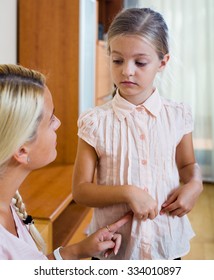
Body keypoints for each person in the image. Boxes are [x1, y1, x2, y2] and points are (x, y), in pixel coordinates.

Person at [72, 8, 203, 260]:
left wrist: (195, 184)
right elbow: (80, 191)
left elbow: (187, 164)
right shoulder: (94, 122)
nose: (127, 71)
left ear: (162, 63)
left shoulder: (177, 116)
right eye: (117, 60)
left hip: (165, 243)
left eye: (140, 62)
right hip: (112, 249)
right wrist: (128, 192)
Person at [0, 64, 132, 260]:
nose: (58, 123)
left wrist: (77, 251)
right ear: (21, 150)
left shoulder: (7, 204)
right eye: (51, 119)